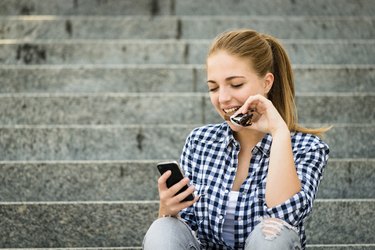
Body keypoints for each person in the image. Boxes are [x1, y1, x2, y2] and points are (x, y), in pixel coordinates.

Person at [143, 29, 330, 250]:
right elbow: (183, 227)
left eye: (236, 84)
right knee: (163, 227)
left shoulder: (307, 148)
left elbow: (285, 216)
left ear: (267, 83)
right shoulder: (200, 141)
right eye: (213, 87)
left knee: (272, 233)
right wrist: (167, 209)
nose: (222, 98)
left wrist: (279, 133)